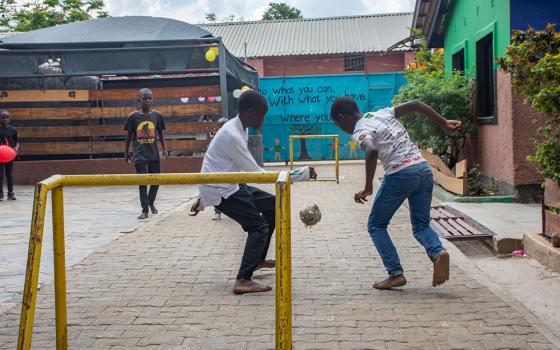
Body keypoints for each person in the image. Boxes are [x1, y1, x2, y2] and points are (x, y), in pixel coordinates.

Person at [190, 90, 316, 294]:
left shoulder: (241, 128)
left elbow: (217, 163)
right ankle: (242, 279)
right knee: (258, 227)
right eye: (262, 114)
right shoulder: (232, 134)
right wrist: (300, 174)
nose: (264, 119)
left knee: (274, 207)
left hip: (231, 183)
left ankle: (257, 260)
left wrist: (201, 200)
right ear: (250, 112)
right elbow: (257, 173)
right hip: (221, 189)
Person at [330, 97, 462, 290]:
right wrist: (443, 122)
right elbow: (416, 104)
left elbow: (371, 150)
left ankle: (395, 273)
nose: (342, 130)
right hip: (423, 169)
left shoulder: (360, 130)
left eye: (338, 125)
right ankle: (438, 252)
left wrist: (368, 187)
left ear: (342, 118)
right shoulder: (381, 113)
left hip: (401, 173)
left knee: (376, 225)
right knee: (421, 225)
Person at [124, 88, 167, 220]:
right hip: (139, 154)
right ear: (139, 100)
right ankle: (145, 210)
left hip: (153, 153)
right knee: (142, 182)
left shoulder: (157, 116)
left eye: (150, 98)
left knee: (156, 181)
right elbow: (129, 136)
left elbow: (160, 133)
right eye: (144, 98)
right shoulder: (133, 117)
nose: (147, 101)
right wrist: (126, 152)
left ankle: (150, 201)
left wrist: (164, 149)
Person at [210, 117, 228, 221]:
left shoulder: (232, 137)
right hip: (217, 170)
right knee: (216, 192)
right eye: (219, 127)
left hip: (230, 171)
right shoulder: (215, 139)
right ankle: (217, 212)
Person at [0, 109, 18, 201]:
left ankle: (11, 194)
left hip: (9, 155)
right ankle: (0, 194)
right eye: (3, 118)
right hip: (0, 155)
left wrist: (16, 149)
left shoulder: (13, 130)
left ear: (10, 118)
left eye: (7, 117)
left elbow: (16, 142)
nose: (5, 119)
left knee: (10, 174)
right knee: (0, 174)